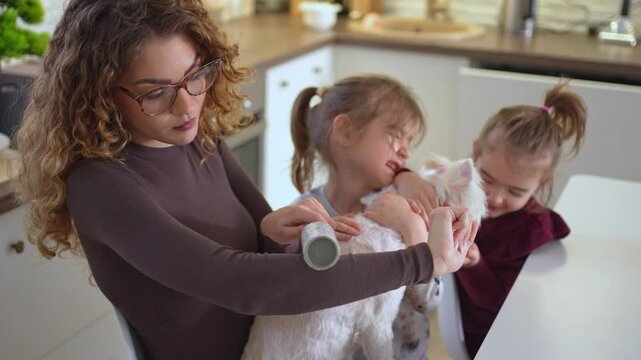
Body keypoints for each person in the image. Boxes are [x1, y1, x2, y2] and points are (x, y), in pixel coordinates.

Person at [14, 1, 476, 359]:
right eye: (156, 93)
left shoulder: (196, 139)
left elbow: (262, 245)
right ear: (97, 96)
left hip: (283, 338)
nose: (188, 105)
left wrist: (274, 232)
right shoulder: (101, 187)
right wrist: (422, 261)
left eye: (197, 75)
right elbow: (241, 283)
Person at [290, 74, 456, 360]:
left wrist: (412, 230)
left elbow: (430, 299)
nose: (405, 150)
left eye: (409, 141)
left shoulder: (404, 207)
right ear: (346, 131)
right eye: (395, 134)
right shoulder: (306, 213)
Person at [455, 79, 587, 358]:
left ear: (542, 182)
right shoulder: (458, 192)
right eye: (487, 178)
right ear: (476, 152)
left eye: (515, 191)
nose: (495, 198)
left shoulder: (529, 230)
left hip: (502, 341)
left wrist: (475, 264)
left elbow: (501, 305)